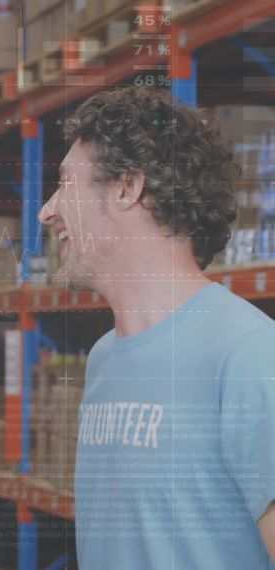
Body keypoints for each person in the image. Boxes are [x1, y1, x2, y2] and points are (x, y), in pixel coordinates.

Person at [38, 86, 275, 568]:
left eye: (65, 183)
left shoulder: (248, 354)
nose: (47, 210)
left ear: (127, 187)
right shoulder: (105, 356)